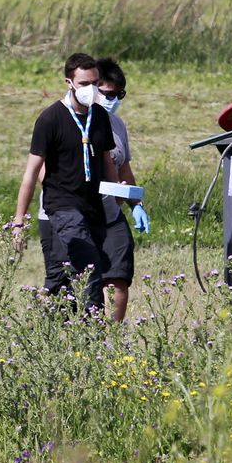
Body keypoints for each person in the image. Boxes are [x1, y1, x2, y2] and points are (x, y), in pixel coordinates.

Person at [12, 53, 121, 315]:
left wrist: (119, 198)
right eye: (84, 84)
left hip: (92, 205)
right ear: (69, 82)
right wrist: (19, 220)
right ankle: (91, 333)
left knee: (66, 278)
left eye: (95, 83)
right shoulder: (51, 119)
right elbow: (30, 173)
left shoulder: (100, 117)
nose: (91, 89)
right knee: (90, 268)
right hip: (61, 205)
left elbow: (108, 162)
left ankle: (49, 329)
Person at [90, 57, 148, 321]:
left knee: (118, 275)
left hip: (111, 212)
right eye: (107, 93)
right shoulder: (72, 119)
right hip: (80, 212)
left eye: (118, 94)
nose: (112, 99)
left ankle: (110, 338)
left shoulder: (118, 126)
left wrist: (136, 204)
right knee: (83, 280)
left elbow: (124, 169)